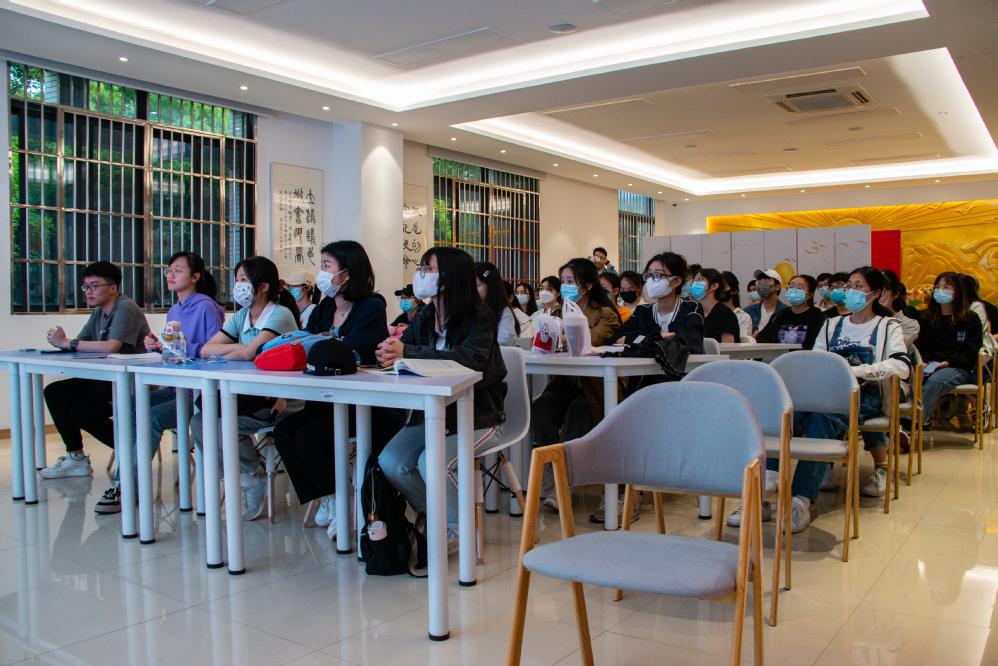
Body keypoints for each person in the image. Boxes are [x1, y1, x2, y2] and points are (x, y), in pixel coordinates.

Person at [734, 267, 911, 533]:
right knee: (784, 416)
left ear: (875, 294)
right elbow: (815, 361)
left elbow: (901, 366)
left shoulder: (887, 326)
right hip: (822, 391)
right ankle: (761, 494)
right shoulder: (831, 325)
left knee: (823, 417)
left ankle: (800, 500)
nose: (850, 291)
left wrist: (858, 371)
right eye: (849, 285)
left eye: (859, 286)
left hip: (862, 394)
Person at [377, 247, 507, 555]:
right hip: (433, 414)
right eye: (421, 268)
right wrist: (389, 352)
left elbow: (469, 362)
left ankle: (456, 529)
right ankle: (437, 516)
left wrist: (407, 352)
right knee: (391, 462)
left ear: (450, 276)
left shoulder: (479, 316)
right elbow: (404, 351)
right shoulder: (425, 315)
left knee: (431, 461)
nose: (420, 274)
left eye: (428, 269)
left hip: (478, 416)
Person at [273, 241, 407, 535]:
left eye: (326, 266)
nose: (322, 273)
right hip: (327, 400)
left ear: (348, 272)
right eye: (321, 265)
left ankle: (341, 499)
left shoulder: (372, 305)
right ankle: (331, 496)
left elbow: (352, 352)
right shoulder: (324, 308)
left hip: (369, 404)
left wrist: (323, 345)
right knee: (284, 432)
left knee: (308, 436)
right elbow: (307, 348)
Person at [94, 252, 225, 513]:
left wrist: (178, 348)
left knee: (152, 417)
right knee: (127, 405)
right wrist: (157, 346)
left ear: (195, 277)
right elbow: (175, 353)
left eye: (177, 270)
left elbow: (217, 355)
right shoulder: (174, 310)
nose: (170, 275)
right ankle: (126, 479)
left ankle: (127, 486)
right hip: (177, 387)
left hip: (199, 393)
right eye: (168, 270)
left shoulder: (206, 307)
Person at [192, 256, 303, 520]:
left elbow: (249, 354)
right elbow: (207, 350)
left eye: (244, 280)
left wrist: (237, 351)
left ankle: (253, 473)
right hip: (248, 396)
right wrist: (240, 348)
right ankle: (249, 477)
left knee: (221, 425)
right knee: (198, 422)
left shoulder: (280, 314)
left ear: (263, 286)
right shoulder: (242, 316)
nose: (238, 286)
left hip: (280, 400)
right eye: (237, 280)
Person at [41, 261, 152, 479]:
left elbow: (111, 346)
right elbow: (81, 342)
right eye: (85, 286)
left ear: (113, 287)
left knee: (82, 412)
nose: (88, 291)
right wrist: (62, 342)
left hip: (129, 382)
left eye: (94, 286)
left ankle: (136, 450)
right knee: (55, 392)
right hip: (105, 378)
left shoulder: (125, 308)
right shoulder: (99, 312)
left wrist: (68, 342)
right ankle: (76, 459)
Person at [531, 258, 621, 514]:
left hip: (597, 386)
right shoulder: (556, 313)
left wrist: (560, 335)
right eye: (563, 281)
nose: (566, 287)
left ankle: (567, 480)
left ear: (587, 285)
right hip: (569, 382)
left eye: (571, 281)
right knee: (541, 407)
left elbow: (591, 340)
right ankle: (551, 470)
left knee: (578, 411)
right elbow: (544, 342)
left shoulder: (606, 314)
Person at [903, 272, 983, 435]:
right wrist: (925, 363)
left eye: (946, 287)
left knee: (936, 380)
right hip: (929, 365)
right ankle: (898, 422)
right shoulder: (926, 317)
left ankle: (909, 424)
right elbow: (922, 347)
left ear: (957, 292)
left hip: (956, 367)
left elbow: (970, 352)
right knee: (908, 380)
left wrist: (947, 363)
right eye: (938, 287)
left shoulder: (970, 318)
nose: (941, 291)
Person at [756, 274, 827, 350]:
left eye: (799, 288)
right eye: (791, 287)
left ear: (810, 295)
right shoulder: (780, 315)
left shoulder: (818, 317)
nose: (794, 290)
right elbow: (763, 338)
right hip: (780, 356)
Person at [476, 262, 527, 347]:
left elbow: (502, 343)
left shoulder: (504, 313)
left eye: (478, 285)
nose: (473, 289)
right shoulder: (474, 309)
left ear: (490, 287)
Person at [691, 268, 738, 343]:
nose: (695, 283)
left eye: (700, 279)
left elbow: (728, 347)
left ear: (714, 286)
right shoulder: (695, 312)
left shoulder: (724, 313)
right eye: (694, 280)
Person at [879, 270, 920, 355]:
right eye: (873, 290)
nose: (876, 295)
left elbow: (885, 352)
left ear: (895, 294)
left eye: (882, 290)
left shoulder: (909, 325)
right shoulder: (861, 319)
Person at [745, 269, 789, 333]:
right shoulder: (749, 311)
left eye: (766, 281)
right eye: (759, 282)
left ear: (777, 287)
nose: (762, 285)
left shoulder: (786, 312)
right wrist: (751, 337)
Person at [722, 271, 753, 338]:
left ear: (734, 291)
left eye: (724, 286)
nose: (720, 290)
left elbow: (742, 341)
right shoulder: (711, 313)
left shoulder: (742, 317)